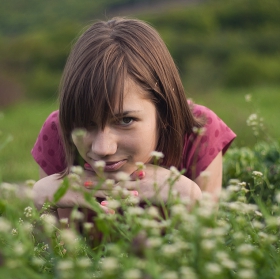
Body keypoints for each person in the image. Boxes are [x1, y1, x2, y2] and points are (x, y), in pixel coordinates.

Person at [32, 17, 236, 219]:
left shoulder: (199, 133)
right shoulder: (59, 131)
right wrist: (45, 206)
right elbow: (57, 251)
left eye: (125, 120)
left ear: (164, 109)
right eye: (86, 124)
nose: (102, 149)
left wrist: (189, 197)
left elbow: (205, 247)